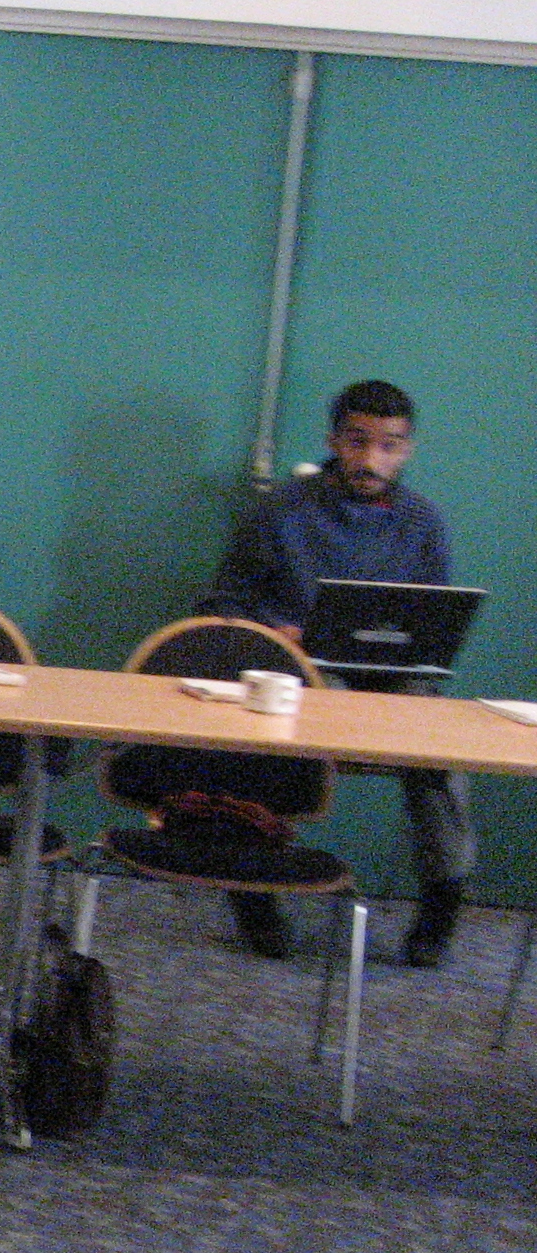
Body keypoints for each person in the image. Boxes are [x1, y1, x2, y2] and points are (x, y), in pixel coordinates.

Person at [196, 378, 469, 966]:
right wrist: (280, 631)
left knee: (441, 737)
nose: (371, 460)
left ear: (407, 449)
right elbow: (221, 604)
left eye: (388, 445)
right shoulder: (281, 511)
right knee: (305, 705)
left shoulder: (422, 521)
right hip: (302, 670)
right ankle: (255, 888)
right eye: (357, 441)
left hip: (393, 677)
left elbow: (434, 619)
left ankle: (442, 901)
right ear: (334, 441)